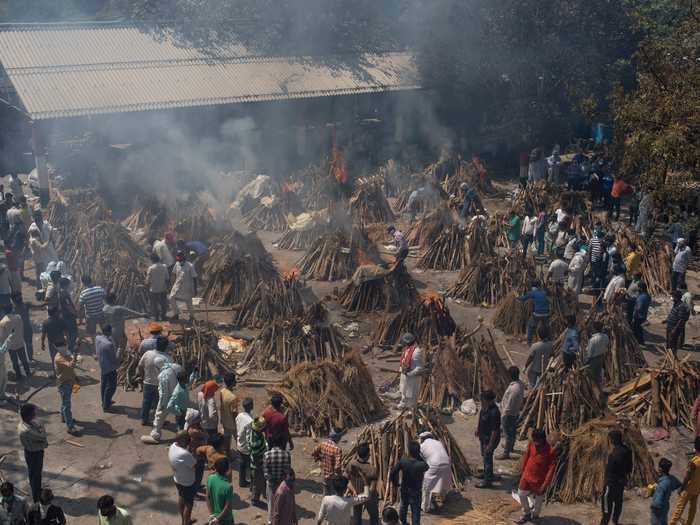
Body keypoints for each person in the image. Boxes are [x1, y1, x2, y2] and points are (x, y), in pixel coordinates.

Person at [515, 429, 557, 524]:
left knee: (538, 501)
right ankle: (526, 513)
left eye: (538, 441)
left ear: (543, 439)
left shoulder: (550, 451)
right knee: (521, 493)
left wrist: (545, 484)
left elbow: (551, 470)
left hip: (540, 479)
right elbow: (526, 456)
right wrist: (522, 471)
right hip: (527, 475)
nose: (536, 443)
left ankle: (535, 516)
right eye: (535, 441)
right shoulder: (531, 444)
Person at [389, 441, 428, 525]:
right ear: (418, 452)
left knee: (403, 507)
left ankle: (403, 522)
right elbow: (427, 466)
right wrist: (419, 456)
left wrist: (395, 483)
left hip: (405, 489)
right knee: (415, 511)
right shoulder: (421, 464)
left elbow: (392, 473)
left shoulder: (403, 461)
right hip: (416, 491)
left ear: (409, 451)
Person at [147, 356, 183, 443]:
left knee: (159, 416)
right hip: (181, 395)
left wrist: (162, 405)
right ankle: (183, 435)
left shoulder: (163, 375)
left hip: (169, 398)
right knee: (181, 416)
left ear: (157, 367)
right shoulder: (177, 366)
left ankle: (155, 435)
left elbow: (164, 393)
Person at [137, 334, 171, 425]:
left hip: (147, 383)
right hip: (160, 385)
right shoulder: (167, 358)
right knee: (159, 404)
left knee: (146, 402)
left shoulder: (148, 354)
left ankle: (144, 420)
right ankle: (158, 421)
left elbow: (140, 366)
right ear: (165, 346)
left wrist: (142, 376)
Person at [600, 430, 633, 525]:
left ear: (613, 440)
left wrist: (605, 483)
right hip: (621, 482)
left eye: (610, 439)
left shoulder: (614, 454)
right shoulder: (627, 450)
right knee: (618, 503)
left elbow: (609, 470)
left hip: (611, 483)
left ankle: (604, 523)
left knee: (606, 507)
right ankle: (615, 521)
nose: (610, 441)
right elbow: (630, 468)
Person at [18, 403, 48, 503]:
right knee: (36, 475)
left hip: (32, 452)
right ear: (29, 416)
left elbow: (20, 411)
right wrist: (41, 427)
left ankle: (37, 491)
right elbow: (43, 436)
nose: (35, 414)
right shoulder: (27, 430)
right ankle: (37, 497)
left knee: (34, 473)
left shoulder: (24, 422)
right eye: (33, 413)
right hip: (34, 454)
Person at [345, 442, 379, 525]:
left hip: (356, 495)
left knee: (357, 516)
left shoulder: (351, 464)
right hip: (369, 498)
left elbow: (346, 480)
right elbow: (372, 489)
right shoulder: (371, 469)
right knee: (374, 517)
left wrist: (353, 491)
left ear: (357, 453)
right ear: (368, 455)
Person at [670, 436, 700, 525]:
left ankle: (671, 523)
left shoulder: (694, 462)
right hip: (697, 489)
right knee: (693, 509)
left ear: (695, 446)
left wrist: (681, 488)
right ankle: (689, 523)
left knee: (679, 509)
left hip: (688, 489)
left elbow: (687, 477)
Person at [418, 432, 451, 514]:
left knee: (427, 486)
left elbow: (420, 460)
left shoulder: (422, 446)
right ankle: (443, 498)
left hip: (434, 464)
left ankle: (425, 507)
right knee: (444, 480)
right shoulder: (438, 442)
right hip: (446, 462)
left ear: (422, 439)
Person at [169, 431, 197, 525]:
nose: (189, 442)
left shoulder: (173, 446)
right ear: (183, 441)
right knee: (189, 505)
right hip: (187, 482)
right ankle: (186, 522)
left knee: (181, 497)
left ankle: (184, 520)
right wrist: (193, 450)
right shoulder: (184, 454)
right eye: (188, 440)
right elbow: (194, 465)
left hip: (177, 479)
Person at [475, 390, 501, 489]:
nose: (481, 401)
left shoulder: (495, 412)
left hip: (490, 439)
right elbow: (480, 418)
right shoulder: (484, 407)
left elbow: (495, 430)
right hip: (483, 437)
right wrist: (478, 429)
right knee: (485, 456)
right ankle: (487, 473)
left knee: (487, 458)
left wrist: (490, 444)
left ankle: (487, 481)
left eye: (483, 400)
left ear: (489, 400)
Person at [265, 433, 292, 524]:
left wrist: (272, 480)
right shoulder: (286, 455)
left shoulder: (267, 455)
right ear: (281, 443)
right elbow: (288, 472)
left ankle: (270, 521)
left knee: (271, 503)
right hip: (282, 484)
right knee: (281, 505)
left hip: (271, 484)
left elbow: (266, 474)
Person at [498, 366, 524, 460]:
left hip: (509, 414)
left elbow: (509, 404)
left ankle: (506, 453)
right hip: (514, 412)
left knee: (508, 434)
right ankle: (510, 447)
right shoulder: (520, 384)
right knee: (512, 432)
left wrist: (504, 415)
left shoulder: (514, 389)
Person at [54, 345, 78, 435]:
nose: (66, 346)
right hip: (64, 384)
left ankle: (64, 417)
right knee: (66, 405)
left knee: (64, 402)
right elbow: (71, 365)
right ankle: (70, 427)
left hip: (70, 381)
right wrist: (75, 355)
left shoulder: (65, 354)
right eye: (63, 345)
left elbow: (71, 367)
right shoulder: (59, 358)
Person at [1, 304, 29, 379]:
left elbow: (3, 336)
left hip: (11, 345)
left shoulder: (3, 322)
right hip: (20, 342)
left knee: (15, 361)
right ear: (11, 309)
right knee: (24, 360)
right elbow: (22, 328)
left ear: (4, 311)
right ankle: (28, 373)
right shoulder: (18, 317)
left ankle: (19, 375)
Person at [397, 333, 425, 410]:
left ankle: (411, 408)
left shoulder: (416, 352)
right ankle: (403, 403)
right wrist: (401, 368)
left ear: (408, 342)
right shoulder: (406, 349)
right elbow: (403, 360)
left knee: (412, 394)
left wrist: (410, 374)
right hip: (405, 374)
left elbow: (419, 367)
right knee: (404, 391)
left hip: (412, 377)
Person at [516, 282, 549, 346]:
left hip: (537, 314)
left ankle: (529, 342)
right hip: (546, 314)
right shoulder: (544, 292)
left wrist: (517, 297)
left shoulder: (533, 292)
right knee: (545, 327)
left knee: (530, 325)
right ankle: (547, 341)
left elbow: (523, 298)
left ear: (534, 287)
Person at [96, 325, 120, 412]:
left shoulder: (98, 338)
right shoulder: (109, 344)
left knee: (104, 384)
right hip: (110, 367)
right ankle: (106, 406)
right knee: (111, 386)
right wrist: (119, 353)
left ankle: (105, 401)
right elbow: (113, 358)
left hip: (102, 364)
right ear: (109, 332)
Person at [651, 458, 681, 525]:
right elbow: (679, 485)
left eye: (658, 467)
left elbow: (657, 502)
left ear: (660, 469)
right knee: (663, 522)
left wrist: (652, 505)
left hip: (658, 509)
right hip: (666, 506)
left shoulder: (662, 485)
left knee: (656, 523)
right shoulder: (671, 478)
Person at [169, 251, 198, 321]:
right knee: (171, 298)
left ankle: (192, 317)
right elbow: (173, 274)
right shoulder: (177, 264)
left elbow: (194, 277)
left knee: (189, 302)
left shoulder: (190, 266)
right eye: (178, 257)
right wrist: (172, 284)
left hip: (187, 287)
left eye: (180, 257)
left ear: (183, 257)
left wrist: (195, 289)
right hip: (177, 286)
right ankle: (176, 314)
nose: (179, 259)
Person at [313, 430, 343, 495]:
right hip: (332, 476)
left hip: (324, 473)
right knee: (333, 494)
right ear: (337, 437)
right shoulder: (337, 449)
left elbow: (314, 452)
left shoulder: (322, 444)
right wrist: (340, 476)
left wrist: (318, 458)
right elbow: (337, 467)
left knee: (325, 492)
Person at [78, 274, 105, 343]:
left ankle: (95, 345)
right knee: (105, 330)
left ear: (83, 282)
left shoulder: (83, 293)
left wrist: (80, 319)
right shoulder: (100, 289)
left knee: (92, 334)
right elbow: (106, 300)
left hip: (90, 317)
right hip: (101, 314)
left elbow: (80, 307)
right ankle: (107, 344)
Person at [207, 458, 235, 525]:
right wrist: (218, 518)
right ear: (227, 470)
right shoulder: (228, 486)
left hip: (214, 515)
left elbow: (207, 496)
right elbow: (227, 506)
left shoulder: (210, 478)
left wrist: (211, 514)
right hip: (226, 518)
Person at [248, 416, 268, 506]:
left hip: (254, 463)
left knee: (256, 481)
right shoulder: (257, 440)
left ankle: (260, 493)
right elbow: (256, 454)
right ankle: (255, 500)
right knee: (258, 483)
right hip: (257, 465)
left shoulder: (253, 432)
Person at [40, 307, 66, 373]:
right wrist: (67, 340)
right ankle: (64, 373)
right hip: (61, 342)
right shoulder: (61, 320)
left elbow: (43, 335)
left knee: (54, 359)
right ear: (55, 313)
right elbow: (66, 332)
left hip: (52, 344)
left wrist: (42, 344)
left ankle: (56, 373)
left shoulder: (45, 322)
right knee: (63, 358)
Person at [218, 372, 238, 456]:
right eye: (235, 380)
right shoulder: (233, 397)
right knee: (238, 438)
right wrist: (237, 422)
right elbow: (234, 413)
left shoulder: (222, 391)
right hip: (232, 423)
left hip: (225, 420)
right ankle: (241, 454)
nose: (236, 382)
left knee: (227, 438)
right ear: (232, 382)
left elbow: (221, 406)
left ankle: (228, 454)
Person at [584, 321, 609, 386]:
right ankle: (600, 387)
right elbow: (606, 345)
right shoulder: (606, 336)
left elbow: (589, 353)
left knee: (592, 376)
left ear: (594, 329)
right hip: (601, 357)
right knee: (599, 374)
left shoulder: (592, 340)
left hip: (593, 359)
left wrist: (586, 361)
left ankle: (595, 389)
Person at [236, 397, 255, 488]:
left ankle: (241, 482)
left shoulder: (240, 415)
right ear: (251, 406)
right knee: (250, 466)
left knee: (242, 465)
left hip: (239, 443)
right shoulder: (250, 421)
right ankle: (251, 484)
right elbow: (249, 437)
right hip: (246, 447)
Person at [146, 253, 169, 321]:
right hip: (163, 288)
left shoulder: (151, 268)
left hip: (154, 289)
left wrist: (146, 285)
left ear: (152, 260)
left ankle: (156, 317)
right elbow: (167, 278)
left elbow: (147, 280)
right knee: (163, 303)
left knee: (154, 304)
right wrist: (168, 288)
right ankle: (163, 316)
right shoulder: (164, 266)